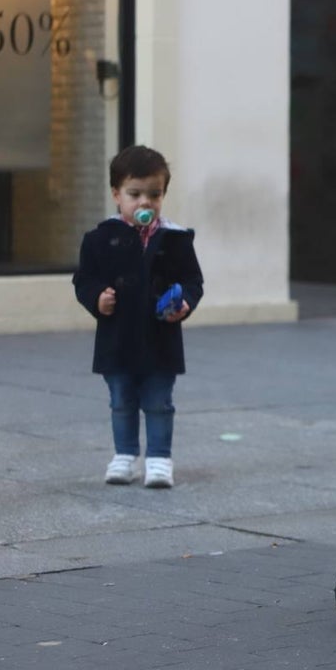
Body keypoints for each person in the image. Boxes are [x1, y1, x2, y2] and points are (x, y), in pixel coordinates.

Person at [73, 145, 204, 489]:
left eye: (154, 194)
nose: (145, 202)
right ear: (117, 195)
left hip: (160, 339)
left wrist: (185, 302)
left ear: (163, 195)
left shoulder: (175, 239)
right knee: (121, 401)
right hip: (117, 339)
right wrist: (96, 297)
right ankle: (125, 456)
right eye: (135, 194)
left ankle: (159, 459)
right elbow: (84, 279)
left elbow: (192, 281)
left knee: (159, 402)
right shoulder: (100, 238)